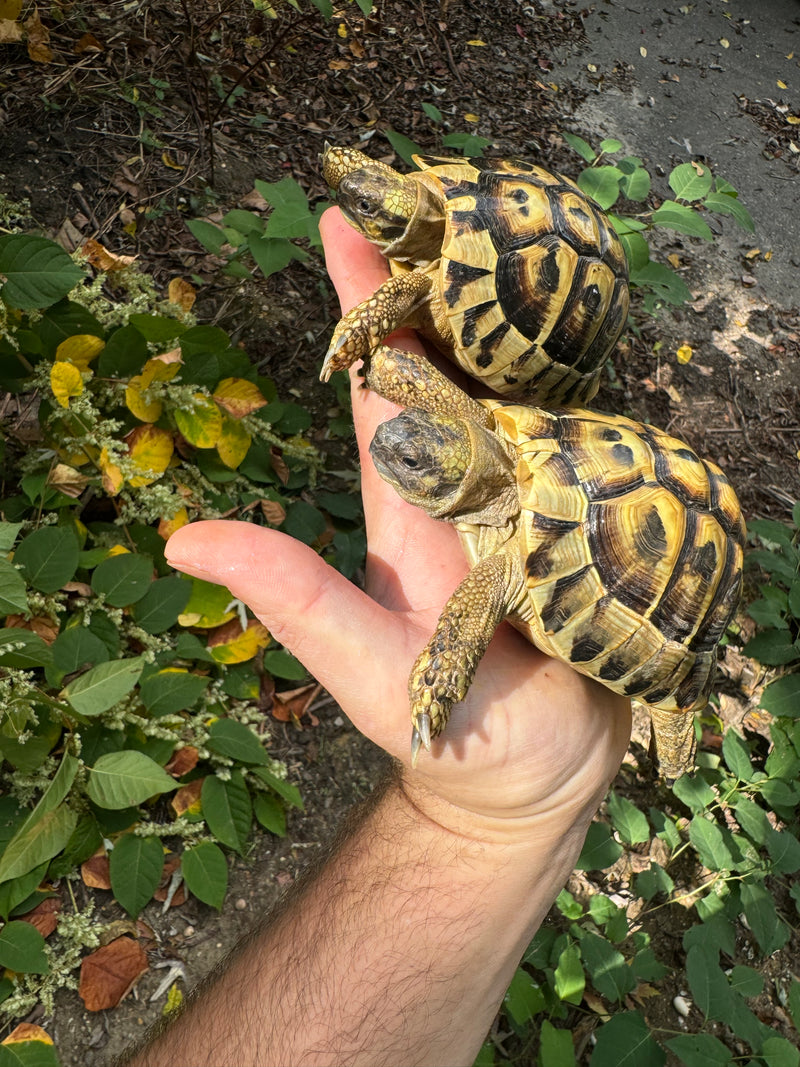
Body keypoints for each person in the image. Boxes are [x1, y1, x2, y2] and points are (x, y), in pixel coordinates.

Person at [118, 208, 631, 1067]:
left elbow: (471, 597)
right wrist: (478, 818)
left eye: (426, 470)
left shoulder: (499, 555)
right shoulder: (500, 454)